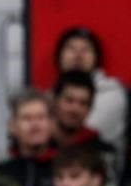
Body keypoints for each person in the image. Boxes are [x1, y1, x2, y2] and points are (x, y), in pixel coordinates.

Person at [55, 26, 128, 162]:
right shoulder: (50, 94)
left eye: (86, 49)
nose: (78, 55)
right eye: (71, 49)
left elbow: (81, 132)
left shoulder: (111, 93)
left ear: (96, 58)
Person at [0, 89, 58, 186]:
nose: (35, 125)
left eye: (41, 117)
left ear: (52, 124)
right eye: (27, 118)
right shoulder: (0, 174)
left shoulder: (67, 169)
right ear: (12, 127)